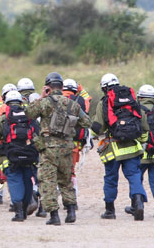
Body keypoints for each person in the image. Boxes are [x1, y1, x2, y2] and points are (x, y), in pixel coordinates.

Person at [25, 72, 92, 225]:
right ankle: (71, 211)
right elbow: (87, 121)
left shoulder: (44, 102)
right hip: (67, 148)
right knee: (66, 180)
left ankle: (54, 216)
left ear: (48, 87)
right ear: (62, 87)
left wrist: (41, 96)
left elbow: (29, 113)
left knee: (48, 181)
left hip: (48, 148)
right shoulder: (72, 104)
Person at [91, 73, 148, 220]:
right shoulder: (131, 99)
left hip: (113, 149)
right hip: (132, 148)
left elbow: (99, 128)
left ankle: (110, 211)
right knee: (134, 176)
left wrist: (90, 133)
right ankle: (138, 204)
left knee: (111, 178)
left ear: (104, 88)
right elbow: (144, 124)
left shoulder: (104, 102)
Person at [0, 90, 40, 222]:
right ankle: (26, 208)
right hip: (29, 157)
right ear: (22, 102)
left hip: (10, 158)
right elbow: (38, 136)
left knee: (15, 181)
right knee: (28, 181)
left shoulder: (3, 120)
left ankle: (19, 212)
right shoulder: (30, 118)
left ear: (6, 103)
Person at [129, 84, 154, 218]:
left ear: (139, 97)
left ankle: (137, 205)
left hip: (141, 154)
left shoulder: (137, 113)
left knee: (136, 179)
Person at [61, 78, 90, 196]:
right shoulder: (80, 100)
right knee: (70, 170)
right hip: (74, 142)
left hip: (56, 141)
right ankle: (72, 198)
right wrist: (81, 90)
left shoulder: (55, 98)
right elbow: (87, 107)